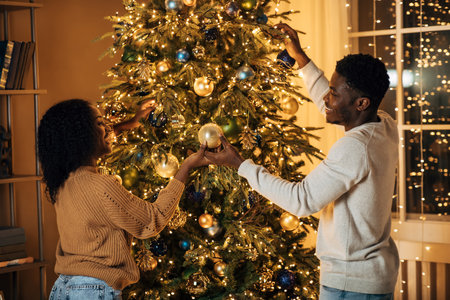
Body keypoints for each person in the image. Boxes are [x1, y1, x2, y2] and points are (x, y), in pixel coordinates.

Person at [205, 23, 399, 299]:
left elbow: (302, 200)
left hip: (351, 284)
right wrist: (301, 59)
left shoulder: (355, 148)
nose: (326, 98)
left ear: (362, 104)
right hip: (370, 278)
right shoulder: (384, 125)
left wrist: (240, 165)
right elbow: (333, 108)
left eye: (334, 92)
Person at [38, 99, 209, 299]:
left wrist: (132, 123)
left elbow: (100, 138)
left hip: (64, 288)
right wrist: (186, 168)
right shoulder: (102, 186)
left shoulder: (63, 182)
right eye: (100, 123)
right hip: (93, 291)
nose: (109, 128)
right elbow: (152, 220)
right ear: (81, 135)